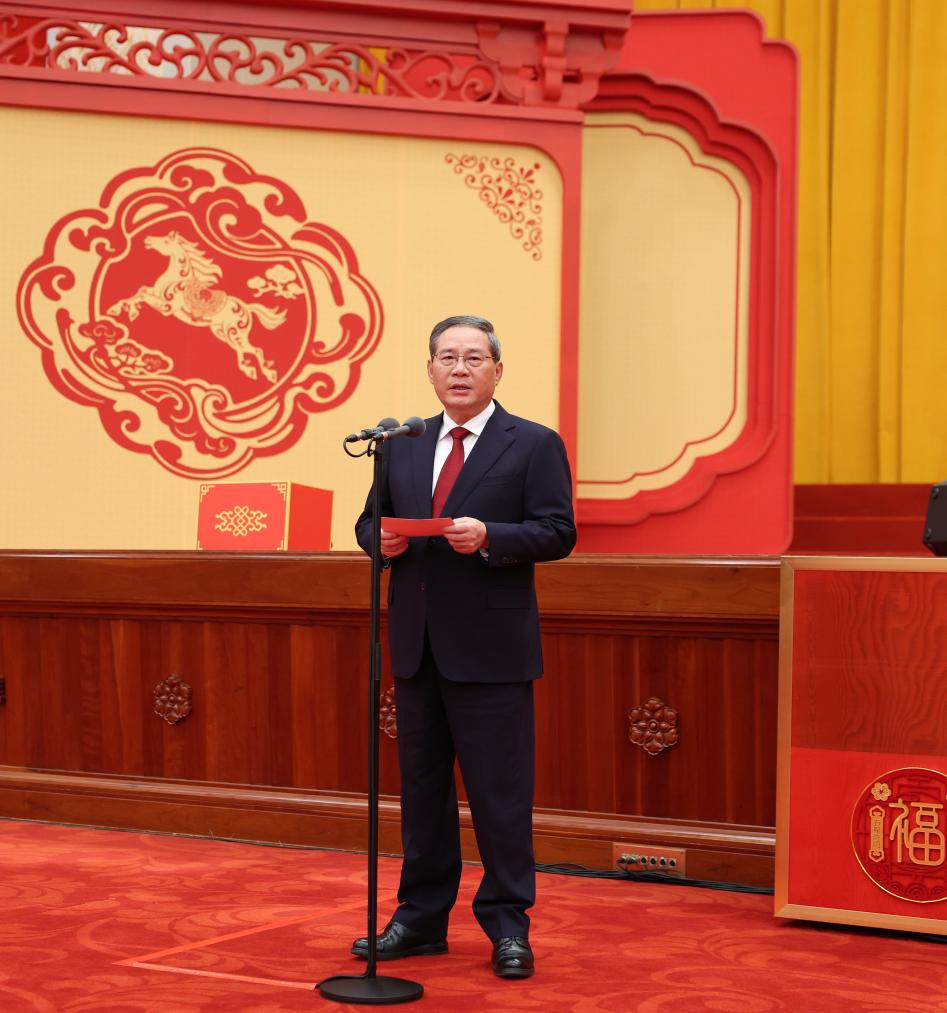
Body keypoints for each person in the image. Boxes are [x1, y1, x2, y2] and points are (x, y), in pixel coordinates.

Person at [352, 314, 576, 979]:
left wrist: (492, 536)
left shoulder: (532, 443)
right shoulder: (400, 443)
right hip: (416, 646)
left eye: (473, 357)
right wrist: (380, 544)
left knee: (498, 796)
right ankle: (419, 917)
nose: (458, 368)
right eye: (446, 357)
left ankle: (508, 925)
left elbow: (558, 531)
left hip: (492, 650)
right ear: (429, 369)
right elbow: (369, 521)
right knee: (421, 793)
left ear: (496, 370)